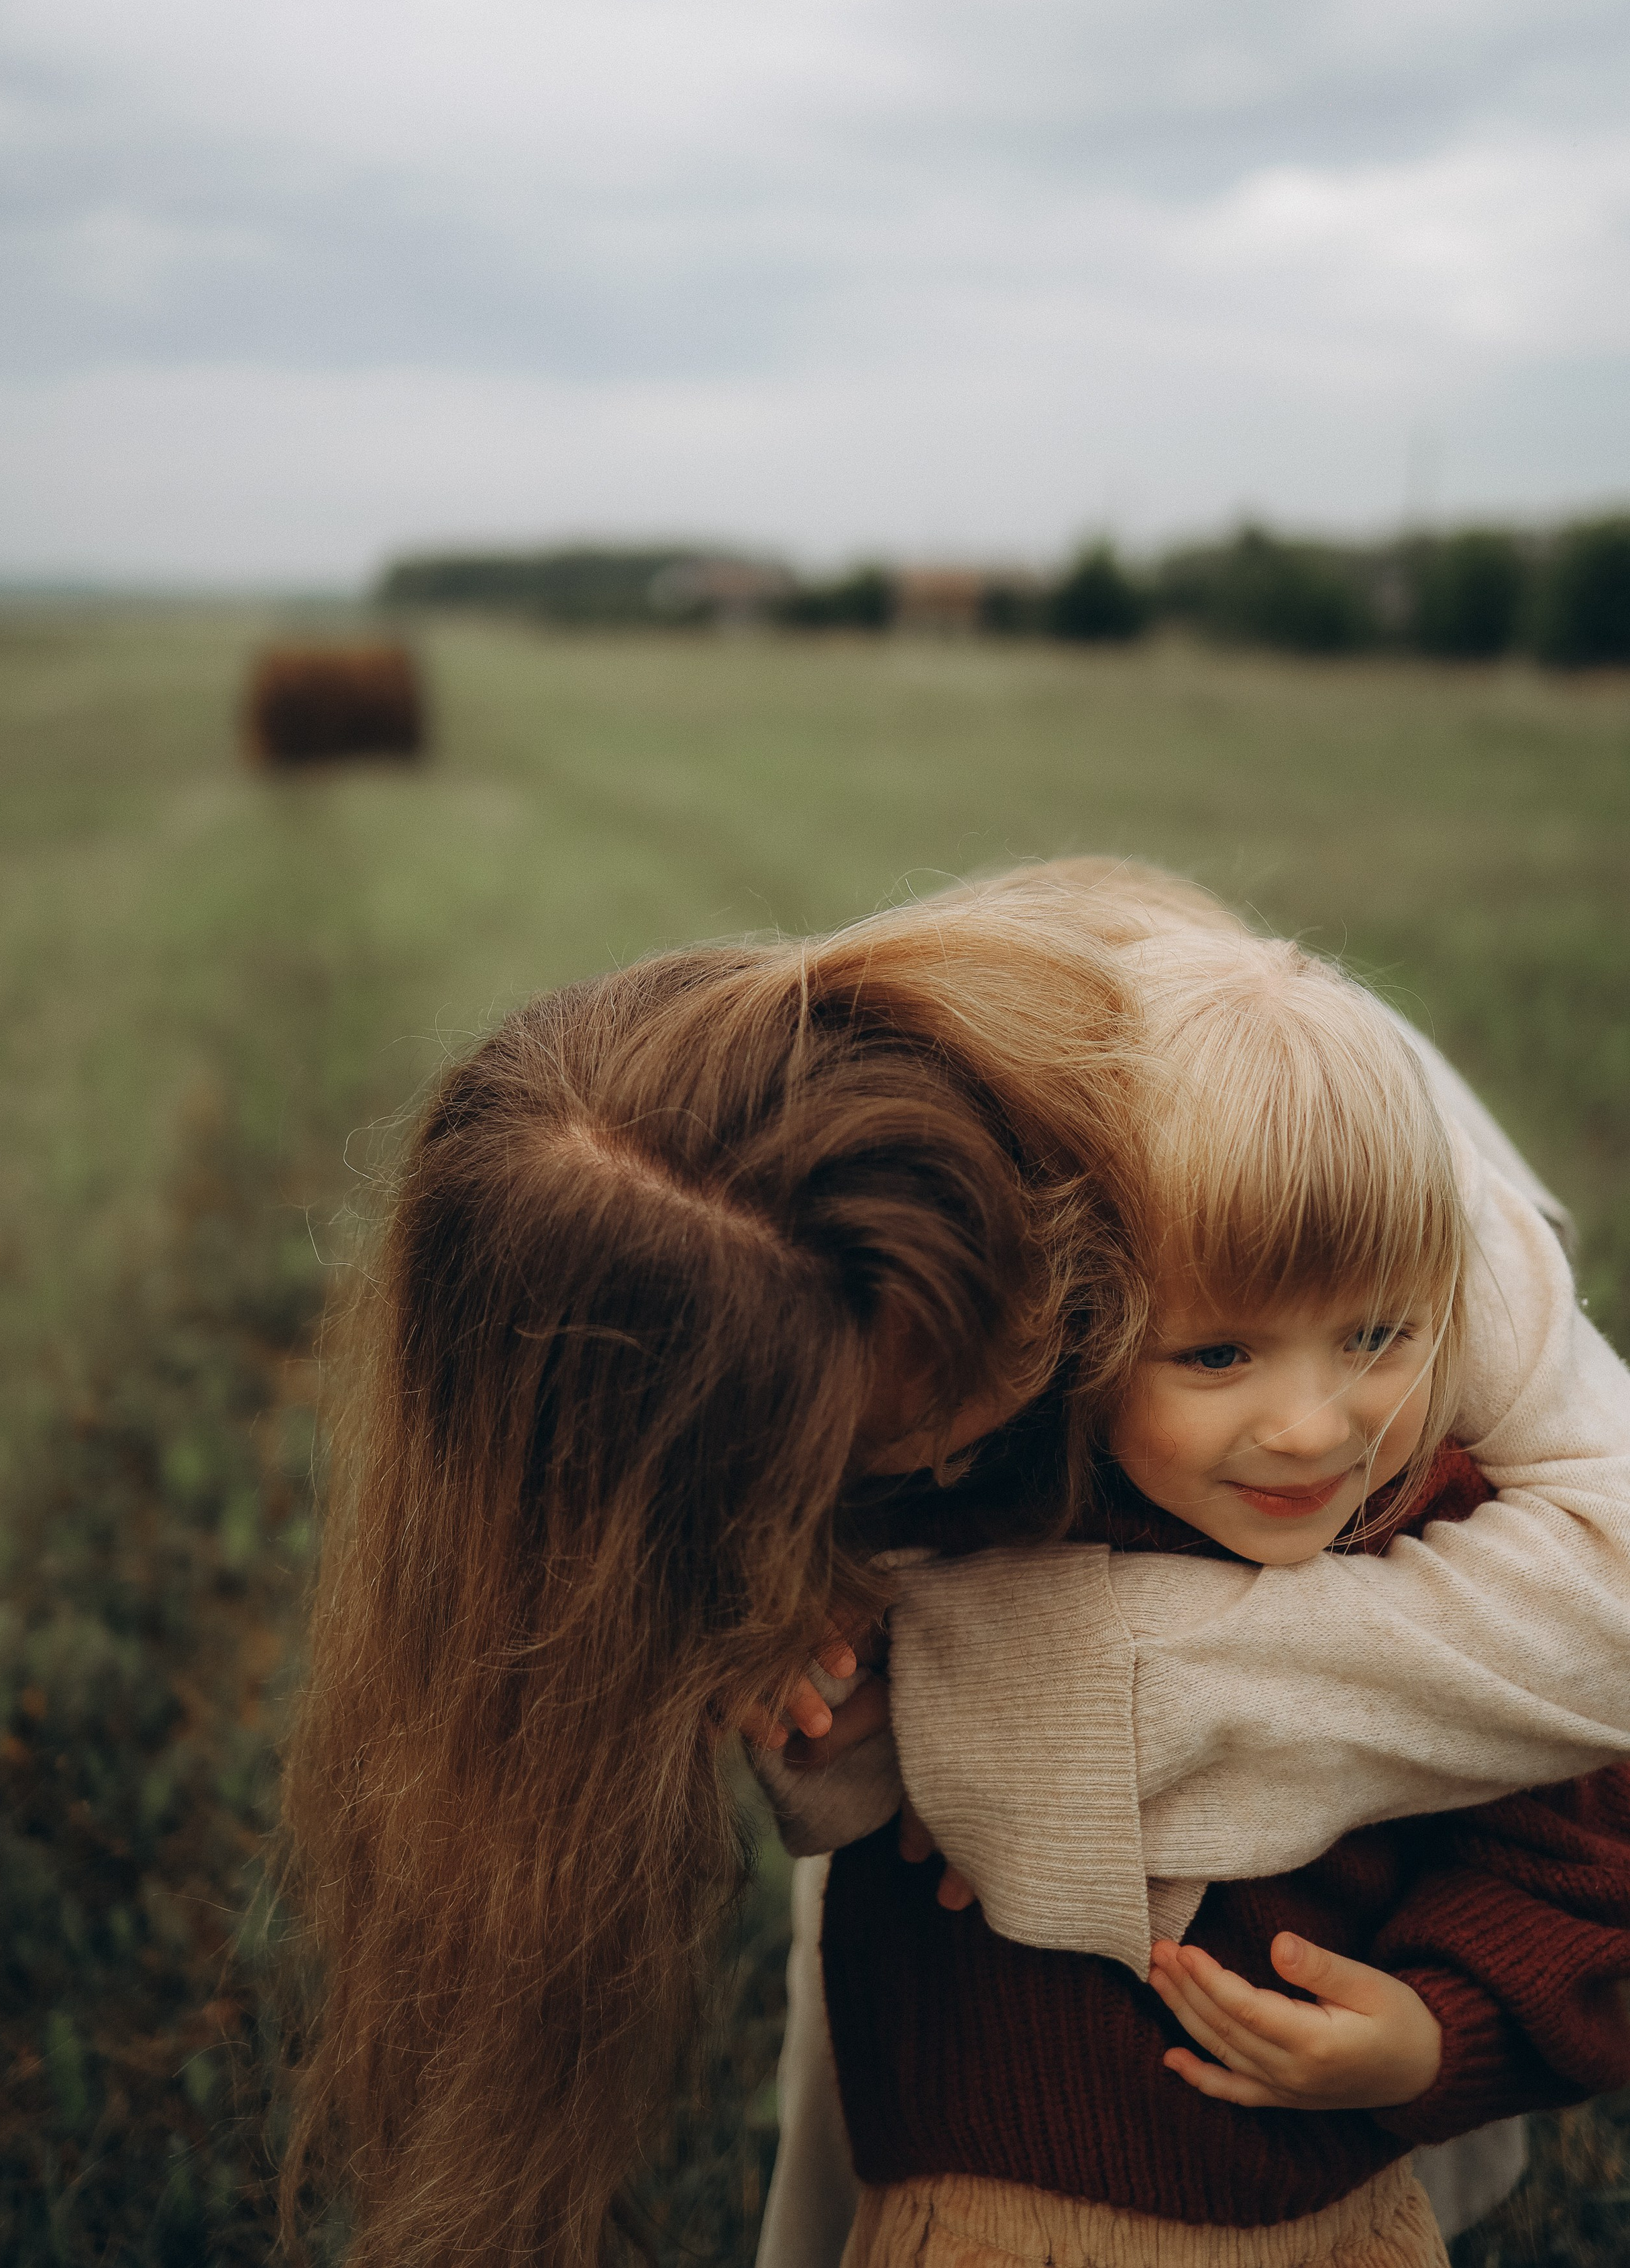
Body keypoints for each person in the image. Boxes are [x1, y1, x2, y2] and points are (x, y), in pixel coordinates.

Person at [278, 864, 1630, 2268]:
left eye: (938, 1416)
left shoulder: (1305, 1195)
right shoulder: (777, 1415)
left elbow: (1593, 1630)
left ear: (1050, 1270)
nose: (936, 1466)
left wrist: (996, 1691)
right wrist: (823, 1678)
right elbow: (873, 1746)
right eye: (866, 1478)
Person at [763, 921, 1630, 2268]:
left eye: (1376, 1334)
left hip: (1327, 2223)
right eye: (1216, 1352)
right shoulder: (967, 1506)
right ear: (1074, 1330)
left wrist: (1432, 2037)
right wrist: (808, 1674)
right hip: (988, 2217)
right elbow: (832, 1788)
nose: (1313, 1428)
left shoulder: (1436, 1514)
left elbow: (1567, 1849)